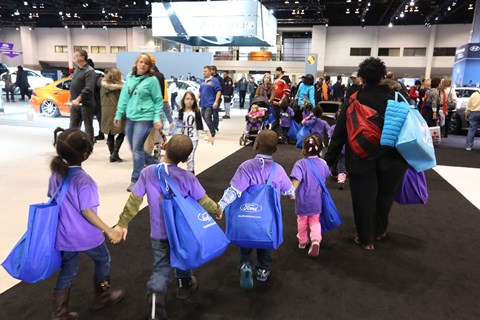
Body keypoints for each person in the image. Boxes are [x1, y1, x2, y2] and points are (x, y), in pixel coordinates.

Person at [113, 134, 223, 320]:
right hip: (182, 232)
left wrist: (122, 223)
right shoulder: (187, 177)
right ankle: (184, 285)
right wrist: (217, 209)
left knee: (161, 266)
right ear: (186, 158)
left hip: (159, 233)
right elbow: (203, 200)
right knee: (184, 255)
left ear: (164, 146)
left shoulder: (148, 173)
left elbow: (134, 201)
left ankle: (156, 295)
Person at [324, 57, 408, 250]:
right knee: (385, 195)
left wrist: (329, 159)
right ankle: (379, 230)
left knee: (363, 198)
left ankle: (366, 238)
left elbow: (340, 133)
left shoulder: (354, 99)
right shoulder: (397, 97)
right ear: (382, 76)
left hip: (360, 155)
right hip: (393, 157)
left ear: (361, 77)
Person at [50, 128, 125, 320]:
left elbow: (53, 198)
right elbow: (87, 211)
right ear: (85, 155)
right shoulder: (85, 181)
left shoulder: (55, 175)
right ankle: (102, 296)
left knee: (67, 270)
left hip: (64, 235)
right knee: (103, 260)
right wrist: (109, 230)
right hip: (87, 236)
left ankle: (60, 313)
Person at [218, 130, 295, 289]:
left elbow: (234, 190)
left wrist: (220, 206)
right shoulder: (278, 169)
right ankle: (263, 271)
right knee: (266, 245)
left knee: (245, 243)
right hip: (267, 220)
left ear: (255, 145)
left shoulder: (246, 167)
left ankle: (245, 265)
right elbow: (288, 190)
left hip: (246, 217)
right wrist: (291, 195)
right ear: (275, 150)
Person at [114, 53, 164, 192]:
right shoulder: (129, 78)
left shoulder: (152, 80)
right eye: (141, 62)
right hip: (131, 117)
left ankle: (135, 180)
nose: (143, 65)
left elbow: (158, 100)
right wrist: (119, 114)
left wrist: (156, 118)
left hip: (145, 117)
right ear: (136, 63)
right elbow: (124, 97)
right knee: (136, 149)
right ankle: (159, 167)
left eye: (146, 63)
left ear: (149, 67)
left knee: (137, 149)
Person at [290, 134, 330, 258]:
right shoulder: (323, 164)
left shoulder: (300, 164)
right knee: (315, 221)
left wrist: (292, 191)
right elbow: (327, 175)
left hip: (303, 200)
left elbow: (296, 179)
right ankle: (316, 240)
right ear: (320, 149)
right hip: (317, 200)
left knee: (302, 221)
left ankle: (302, 241)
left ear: (303, 149)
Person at [69, 50, 97, 145]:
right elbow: (73, 86)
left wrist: (78, 99)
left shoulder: (89, 71)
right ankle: (73, 145)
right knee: (73, 127)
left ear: (82, 57)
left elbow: (88, 88)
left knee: (88, 126)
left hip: (86, 104)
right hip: (75, 104)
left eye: (76, 56)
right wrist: (70, 99)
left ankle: (89, 146)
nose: (74, 57)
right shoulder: (77, 70)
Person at [100, 67, 125, 163]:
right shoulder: (121, 88)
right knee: (122, 132)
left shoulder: (103, 86)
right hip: (117, 111)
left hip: (106, 111)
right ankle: (115, 153)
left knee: (110, 134)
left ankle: (112, 155)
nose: (105, 75)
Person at [178, 91, 204, 174]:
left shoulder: (196, 112)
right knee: (182, 156)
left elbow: (202, 122)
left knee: (190, 157)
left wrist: (209, 133)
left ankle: (191, 175)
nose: (189, 101)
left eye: (191, 99)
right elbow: (179, 125)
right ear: (184, 100)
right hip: (184, 139)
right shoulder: (181, 112)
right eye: (187, 99)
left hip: (194, 139)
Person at [198, 65, 221, 144]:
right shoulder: (203, 81)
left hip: (210, 103)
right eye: (203, 71)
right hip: (203, 103)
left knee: (207, 117)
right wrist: (197, 98)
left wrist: (216, 101)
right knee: (204, 118)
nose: (204, 73)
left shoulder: (214, 80)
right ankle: (209, 131)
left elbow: (218, 91)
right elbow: (200, 92)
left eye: (205, 71)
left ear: (210, 72)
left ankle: (212, 132)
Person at [269, 67, 291, 139]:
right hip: (274, 102)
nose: (275, 73)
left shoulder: (285, 79)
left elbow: (286, 91)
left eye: (276, 72)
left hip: (281, 102)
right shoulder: (276, 80)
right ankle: (275, 133)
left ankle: (282, 134)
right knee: (275, 118)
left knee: (282, 118)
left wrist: (282, 100)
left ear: (279, 72)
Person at [87, 58, 105, 142]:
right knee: (96, 119)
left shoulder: (95, 76)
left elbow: (100, 83)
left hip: (96, 101)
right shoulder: (94, 75)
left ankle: (96, 135)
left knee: (91, 120)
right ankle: (97, 134)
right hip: (96, 101)